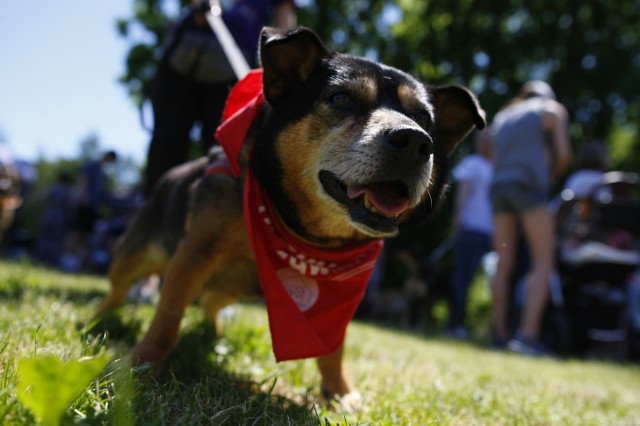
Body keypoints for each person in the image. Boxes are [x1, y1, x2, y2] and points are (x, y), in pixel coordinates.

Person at [143, 0, 297, 196]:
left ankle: (213, 213)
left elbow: (285, 24)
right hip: (182, 58)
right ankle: (152, 211)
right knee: (166, 147)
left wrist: (285, 71)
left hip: (231, 66)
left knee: (222, 153)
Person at [489, 80, 572, 356]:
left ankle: (499, 334)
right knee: (543, 262)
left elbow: (493, 156)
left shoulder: (503, 116)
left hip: (500, 188)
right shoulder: (551, 110)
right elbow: (564, 154)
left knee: (504, 262)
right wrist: (550, 176)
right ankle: (527, 336)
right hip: (529, 187)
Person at [446, 130, 494, 339]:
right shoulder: (473, 163)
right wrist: (458, 217)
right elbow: (463, 193)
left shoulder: (496, 168)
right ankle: (454, 324)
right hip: (471, 227)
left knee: (480, 279)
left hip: (491, 231)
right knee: (462, 277)